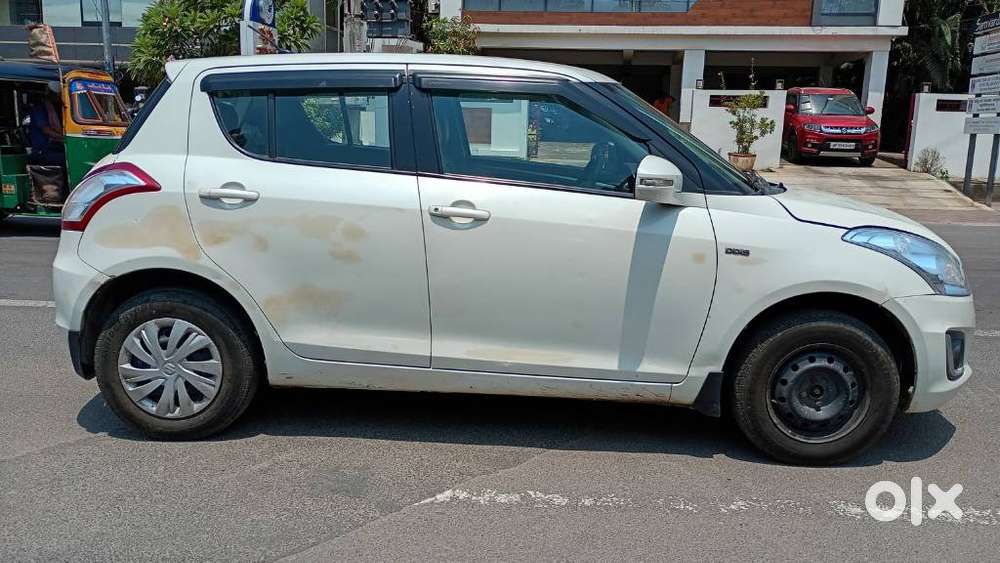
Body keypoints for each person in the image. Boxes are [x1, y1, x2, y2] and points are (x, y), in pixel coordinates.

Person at [28, 92, 65, 166]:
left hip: (53, 147)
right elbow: (46, 131)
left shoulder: (53, 110)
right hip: (42, 150)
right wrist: (64, 138)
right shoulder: (39, 110)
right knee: (69, 160)